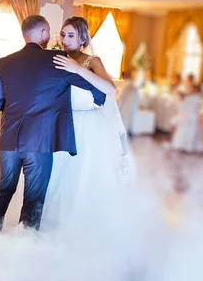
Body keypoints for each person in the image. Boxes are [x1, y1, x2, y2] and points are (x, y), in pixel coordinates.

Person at [0, 15, 106, 231]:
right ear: (43, 33)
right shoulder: (58, 60)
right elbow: (97, 90)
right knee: (34, 195)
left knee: (5, 186)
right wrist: (98, 100)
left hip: (9, 139)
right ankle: (27, 241)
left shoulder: (5, 62)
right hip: (39, 141)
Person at [42, 16, 136, 231]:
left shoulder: (92, 61)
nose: (65, 39)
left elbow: (110, 89)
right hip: (60, 120)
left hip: (87, 124)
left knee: (81, 174)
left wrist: (78, 69)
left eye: (71, 35)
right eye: (63, 34)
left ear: (83, 38)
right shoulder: (56, 58)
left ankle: (80, 222)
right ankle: (51, 218)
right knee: (56, 173)